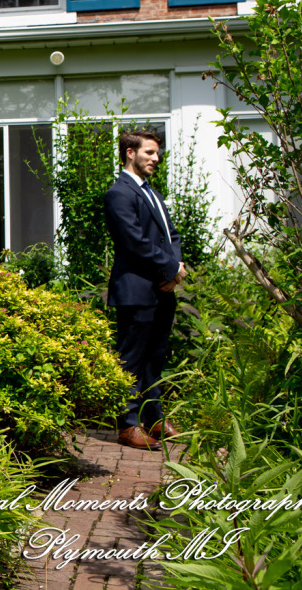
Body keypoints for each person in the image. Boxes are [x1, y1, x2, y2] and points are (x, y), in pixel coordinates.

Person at [104, 130, 185, 451]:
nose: (155, 158)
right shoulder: (119, 194)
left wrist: (173, 273)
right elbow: (134, 242)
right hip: (136, 290)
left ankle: (153, 418)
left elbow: (171, 235)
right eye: (149, 152)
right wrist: (171, 269)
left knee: (154, 358)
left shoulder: (152, 192)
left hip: (162, 289)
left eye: (157, 153)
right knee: (131, 360)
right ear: (129, 153)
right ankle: (127, 425)